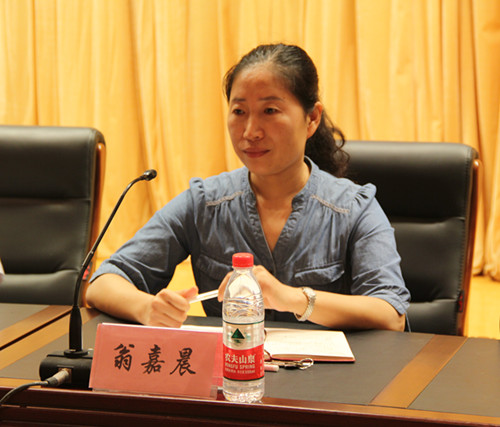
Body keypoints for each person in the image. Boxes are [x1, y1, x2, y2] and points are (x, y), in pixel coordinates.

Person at [86, 43, 410, 331]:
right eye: (239, 111)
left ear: (312, 118)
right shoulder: (205, 203)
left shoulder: (353, 207)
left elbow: (390, 313)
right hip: (230, 375)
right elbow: (103, 282)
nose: (251, 131)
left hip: (330, 379)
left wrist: (291, 298)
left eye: (270, 111)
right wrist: (147, 308)